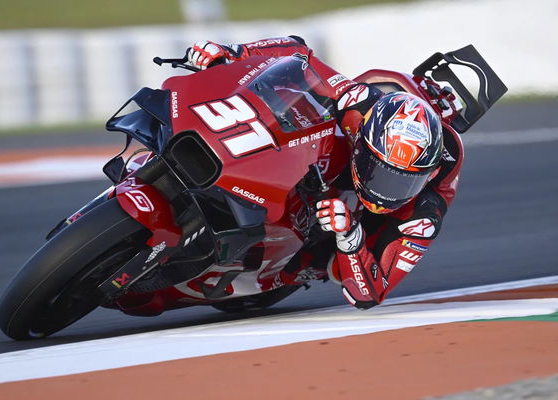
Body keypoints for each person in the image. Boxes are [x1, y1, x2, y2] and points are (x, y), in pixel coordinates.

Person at [187, 37, 463, 309]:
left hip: (350, 227)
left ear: (429, 174)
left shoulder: (426, 211)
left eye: (402, 182)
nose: (384, 192)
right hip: (328, 161)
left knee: (322, 264)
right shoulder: (359, 104)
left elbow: (367, 294)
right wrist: (234, 52)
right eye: (380, 172)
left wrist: (350, 236)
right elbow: (299, 53)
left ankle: (279, 264)